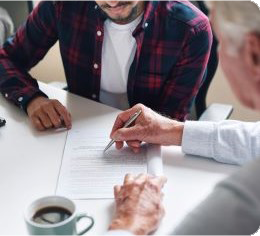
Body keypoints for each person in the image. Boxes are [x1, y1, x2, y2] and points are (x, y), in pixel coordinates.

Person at [105, 0, 260, 235]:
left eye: (221, 42)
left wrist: (128, 224)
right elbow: (255, 141)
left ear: (254, 55)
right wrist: (172, 130)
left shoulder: (249, 190)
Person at [0, 0, 212, 131]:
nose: (114, 3)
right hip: (77, 129)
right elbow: (7, 59)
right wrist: (32, 99)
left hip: (145, 145)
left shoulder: (191, 29)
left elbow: (169, 120)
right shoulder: (62, 4)